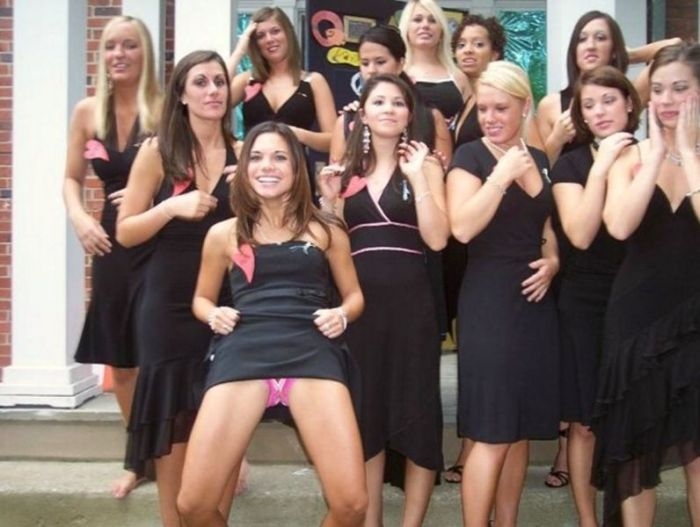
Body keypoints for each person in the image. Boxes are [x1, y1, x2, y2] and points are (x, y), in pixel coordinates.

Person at [176, 120, 367, 527]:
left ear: (297, 168)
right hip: (243, 351)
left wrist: (341, 314)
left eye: (280, 157)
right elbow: (200, 299)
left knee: (352, 505)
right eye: (257, 157)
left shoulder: (327, 230)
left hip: (312, 350)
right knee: (192, 506)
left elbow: (354, 297)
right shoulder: (222, 234)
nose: (268, 166)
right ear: (244, 168)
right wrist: (212, 313)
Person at [116, 50, 241, 527]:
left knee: (224, 416)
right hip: (168, 303)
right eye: (201, 82)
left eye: (219, 81)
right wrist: (170, 207)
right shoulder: (158, 152)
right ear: (182, 95)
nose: (213, 91)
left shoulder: (244, 152)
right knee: (174, 420)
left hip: (228, 302)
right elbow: (126, 231)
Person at [317, 73, 449, 527]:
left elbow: (438, 239)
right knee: (366, 417)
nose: (389, 109)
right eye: (379, 101)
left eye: (398, 102)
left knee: (418, 413)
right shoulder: (345, 171)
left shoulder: (426, 165)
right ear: (363, 114)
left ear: (409, 114)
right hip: (361, 310)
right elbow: (333, 247)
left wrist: (419, 178)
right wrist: (329, 203)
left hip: (413, 307)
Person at [447, 61, 560, 527]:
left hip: (534, 304)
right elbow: (461, 228)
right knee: (493, 431)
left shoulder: (542, 158)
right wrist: (501, 175)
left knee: (519, 430)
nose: (490, 118)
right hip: (489, 302)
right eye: (483, 109)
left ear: (524, 106)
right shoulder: (469, 157)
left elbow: (546, 226)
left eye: (501, 108)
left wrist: (553, 261)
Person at [592, 42, 700, 526]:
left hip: (693, 317)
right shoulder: (629, 154)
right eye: (658, 90)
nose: (667, 99)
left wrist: (688, 153)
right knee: (633, 452)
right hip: (636, 319)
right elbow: (618, 226)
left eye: (680, 88)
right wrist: (655, 157)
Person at [62, 15, 161, 499]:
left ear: (146, 54)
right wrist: (80, 217)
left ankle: (194, 448)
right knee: (121, 362)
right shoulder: (87, 112)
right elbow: (70, 178)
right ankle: (139, 460)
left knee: (166, 353)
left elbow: (198, 168)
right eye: (111, 46)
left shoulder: (165, 108)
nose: (119, 54)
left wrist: (155, 195)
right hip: (111, 245)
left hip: (161, 242)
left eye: (130, 45)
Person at [551, 65, 641, 526]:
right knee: (584, 422)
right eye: (589, 105)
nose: (600, 111)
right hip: (584, 299)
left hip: (641, 298)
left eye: (609, 100)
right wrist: (602, 165)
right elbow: (581, 235)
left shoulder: (652, 155)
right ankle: (588, 521)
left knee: (634, 417)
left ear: (629, 103)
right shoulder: (570, 165)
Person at [536, 10, 680, 164]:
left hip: (624, 176)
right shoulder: (550, 105)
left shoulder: (628, 93)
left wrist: (628, 55)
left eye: (600, 38)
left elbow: (675, 47)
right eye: (582, 39)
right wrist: (557, 139)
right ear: (574, 49)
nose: (591, 46)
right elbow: (538, 171)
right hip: (569, 178)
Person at [329, 24, 452, 167]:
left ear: (400, 64)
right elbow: (335, 175)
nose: (371, 70)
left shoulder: (431, 117)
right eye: (365, 63)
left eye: (380, 62)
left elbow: (444, 172)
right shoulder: (348, 120)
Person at [228, 7, 336, 154]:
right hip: (252, 165)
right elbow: (213, 99)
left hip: (296, 166)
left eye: (275, 31)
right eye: (260, 36)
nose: (269, 39)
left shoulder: (314, 82)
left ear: (288, 33)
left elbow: (333, 140)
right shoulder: (247, 80)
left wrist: (297, 134)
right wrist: (239, 52)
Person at [398, 0, 470, 126]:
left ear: (441, 31)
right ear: (406, 29)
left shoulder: (458, 77)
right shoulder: (395, 73)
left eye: (432, 20)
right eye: (417, 20)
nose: (425, 25)